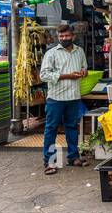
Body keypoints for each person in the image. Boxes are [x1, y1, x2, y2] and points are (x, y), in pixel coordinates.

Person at [38, 24, 88, 175]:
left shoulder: (80, 52)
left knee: (72, 127)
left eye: (66, 36)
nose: (64, 39)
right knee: (51, 128)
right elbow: (44, 75)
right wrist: (67, 76)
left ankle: (73, 157)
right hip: (56, 97)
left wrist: (84, 72)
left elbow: (84, 67)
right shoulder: (51, 53)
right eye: (61, 36)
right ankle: (50, 161)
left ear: (73, 36)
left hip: (73, 96)